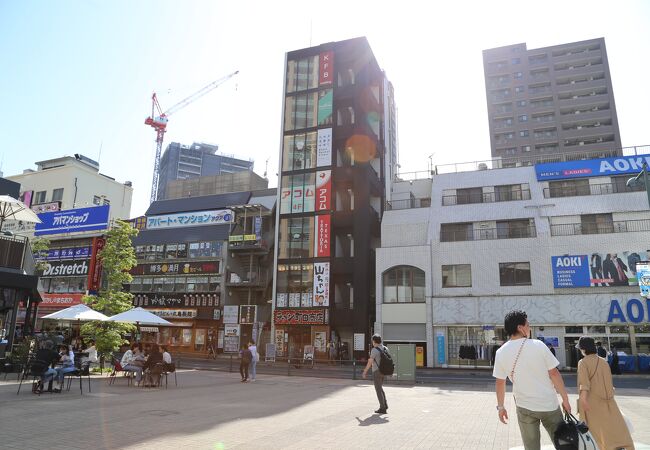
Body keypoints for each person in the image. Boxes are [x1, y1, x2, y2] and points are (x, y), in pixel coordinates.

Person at [493, 310, 571, 450]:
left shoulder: (501, 352)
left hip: (525, 407)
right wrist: (565, 399)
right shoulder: (538, 345)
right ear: (520, 327)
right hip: (549, 405)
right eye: (528, 324)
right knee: (563, 444)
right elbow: (554, 374)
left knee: (531, 447)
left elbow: (500, 382)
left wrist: (501, 407)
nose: (529, 327)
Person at [576, 336, 634, 450]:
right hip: (609, 402)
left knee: (594, 434)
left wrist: (583, 402)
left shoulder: (583, 362)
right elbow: (610, 385)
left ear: (583, 349)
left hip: (591, 403)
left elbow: (584, 385)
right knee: (614, 430)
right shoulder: (604, 362)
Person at [362, 334, 389, 415]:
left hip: (377, 371)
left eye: (372, 341)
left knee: (378, 389)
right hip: (384, 371)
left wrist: (365, 371)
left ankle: (382, 408)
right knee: (380, 388)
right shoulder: (386, 348)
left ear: (374, 341)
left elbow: (370, 362)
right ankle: (385, 404)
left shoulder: (374, 350)